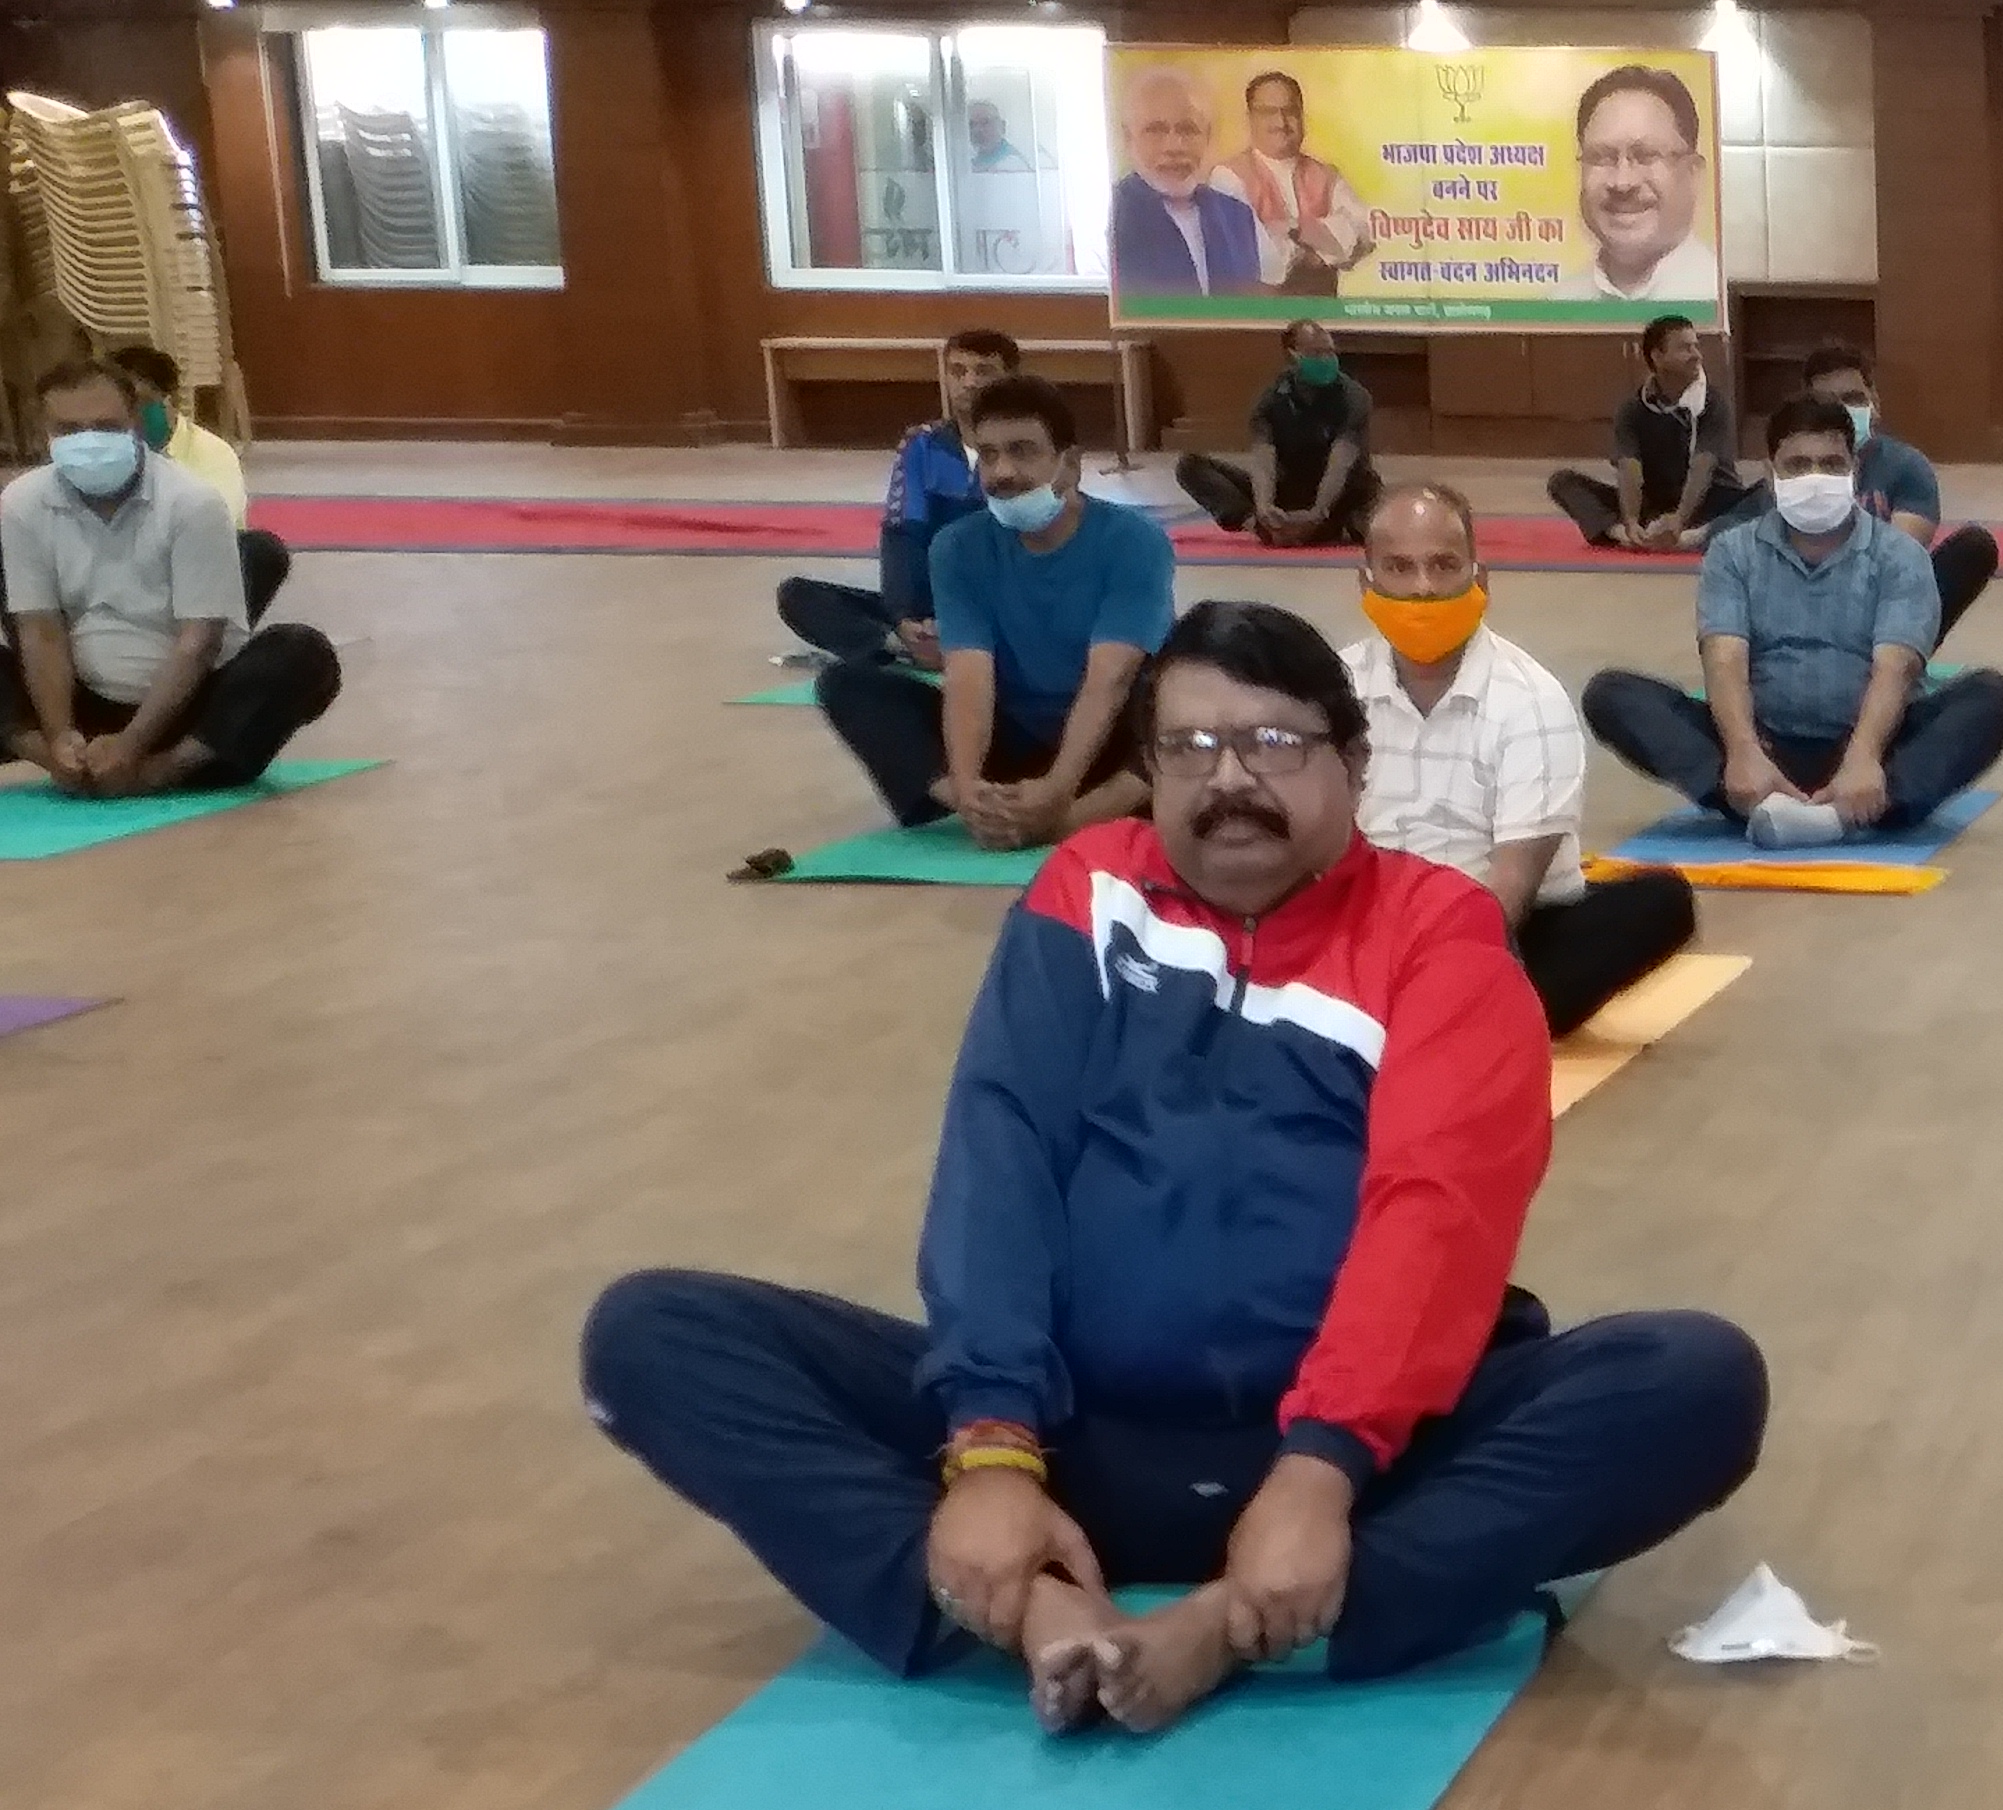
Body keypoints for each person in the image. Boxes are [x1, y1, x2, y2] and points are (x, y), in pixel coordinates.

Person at [586, 602, 1767, 1738]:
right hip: (1078, 1442)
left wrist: (1321, 1472)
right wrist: (992, 1446)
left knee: (1694, 1380)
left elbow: (1438, 1215)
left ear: (1353, 767)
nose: (1230, 779)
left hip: (1358, 1473)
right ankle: (1033, 1601)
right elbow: (1000, 1157)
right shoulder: (1088, 891)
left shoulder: (1438, 935)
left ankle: (1237, 1624)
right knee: (653, 1334)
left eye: (1274, 743)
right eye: (1191, 747)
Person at [1585, 392, 2003, 848]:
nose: (1815, 477)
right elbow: (1724, 657)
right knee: (1612, 693)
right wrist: (1742, 752)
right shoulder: (1733, 552)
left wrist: (1864, 757)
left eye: (1831, 464)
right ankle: (1758, 796)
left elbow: (1896, 666)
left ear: (1854, 471)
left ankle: (1836, 814)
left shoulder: (1901, 556)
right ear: (1771, 474)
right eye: (1796, 465)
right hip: (1765, 740)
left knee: (1991, 697)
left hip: (1878, 746)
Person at [1343, 479, 1697, 1035]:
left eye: (1443, 565)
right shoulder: (1332, 690)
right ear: (1365, 582)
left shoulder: (1530, 698)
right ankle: (1430, 1010)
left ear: (1479, 578)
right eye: (1399, 568)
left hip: (1494, 927)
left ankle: (1443, 1007)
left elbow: (1510, 891)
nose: (1422, 589)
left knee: (1659, 903)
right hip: (1363, 922)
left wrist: (1436, 963)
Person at [813, 372, 1172, 844]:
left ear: (1069, 465)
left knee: (1188, 696)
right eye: (988, 455)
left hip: (1113, 744)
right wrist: (968, 789)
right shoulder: (958, 548)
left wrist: (1059, 795)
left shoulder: (1131, 540)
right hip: (1017, 738)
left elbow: (1111, 680)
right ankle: (990, 812)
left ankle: (1077, 820)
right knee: (847, 684)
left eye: (1022, 451)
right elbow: (967, 676)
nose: (1001, 472)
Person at [3, 355, 342, 800]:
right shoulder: (22, 502)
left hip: (188, 710)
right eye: (69, 430)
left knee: (301, 654)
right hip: (83, 699)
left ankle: (161, 772)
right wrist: (59, 738)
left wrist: (132, 746)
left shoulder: (191, 503)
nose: (88, 442)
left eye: (105, 427)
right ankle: (70, 767)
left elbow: (196, 642)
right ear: (43, 433)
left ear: (136, 426)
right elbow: (40, 632)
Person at [777, 325, 1013, 676]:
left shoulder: (1026, 447)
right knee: (797, 596)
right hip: (927, 602)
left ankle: (951, 646)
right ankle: (900, 645)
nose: (969, 383)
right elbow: (901, 535)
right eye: (958, 371)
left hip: (1000, 603)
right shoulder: (921, 446)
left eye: (984, 372)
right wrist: (906, 617)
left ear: (1011, 379)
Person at [1799, 338, 1992, 638]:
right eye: (1829, 403)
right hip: (1805, 613)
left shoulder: (1907, 466)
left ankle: (1898, 655)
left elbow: (1898, 558)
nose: (1843, 412)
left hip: (1886, 614)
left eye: (1853, 399)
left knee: (1974, 547)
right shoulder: (1791, 470)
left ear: (1874, 401)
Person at [98, 343, 279, 623]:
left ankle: (209, 649)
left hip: (189, 583)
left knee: (258, 551)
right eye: (121, 408)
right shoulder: (96, 454)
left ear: (171, 401)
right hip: (108, 584)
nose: (131, 418)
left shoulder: (211, 452)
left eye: (141, 403)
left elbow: (217, 529)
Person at [1176, 318, 1381, 546]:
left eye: (1330, 352)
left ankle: (1329, 529)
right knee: (1190, 466)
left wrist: (1318, 512)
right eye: (1316, 353)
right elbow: (1264, 460)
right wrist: (1264, 508)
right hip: (1291, 492)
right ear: (1292, 355)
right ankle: (1261, 527)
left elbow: (1340, 462)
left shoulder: (1354, 396)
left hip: (1344, 495)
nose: (1326, 359)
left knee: (1378, 520)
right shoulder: (1272, 400)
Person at [1547, 316, 1728, 553]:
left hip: (1709, 505)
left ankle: (1689, 538)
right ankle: (1625, 535)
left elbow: (1703, 467)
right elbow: (1629, 467)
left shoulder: (1712, 403)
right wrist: (1631, 521)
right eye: (1685, 348)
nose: (1697, 355)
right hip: (1654, 506)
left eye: (1696, 346)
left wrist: (1679, 519)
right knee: (1562, 482)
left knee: (1764, 498)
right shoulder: (1633, 408)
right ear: (1657, 356)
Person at [1110, 66, 1265, 296]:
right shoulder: (1112, 216)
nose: (1174, 146)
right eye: (1156, 130)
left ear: (1208, 137)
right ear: (1128, 138)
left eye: (1188, 129)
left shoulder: (1237, 216)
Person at [1576, 63, 1722, 307]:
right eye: (1602, 157)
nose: (1622, 183)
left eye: (1646, 156)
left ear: (1693, 173)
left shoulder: (1716, 294)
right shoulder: (1559, 302)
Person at [1220, 69, 1373, 288]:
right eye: (1268, 112)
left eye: (1289, 111)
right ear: (1250, 118)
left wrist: (1292, 231)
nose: (1281, 122)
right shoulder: (1228, 176)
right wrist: (1323, 244)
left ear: (1301, 115)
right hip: (1259, 311)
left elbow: (1365, 229)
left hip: (1322, 306)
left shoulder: (1327, 175)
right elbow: (1252, 250)